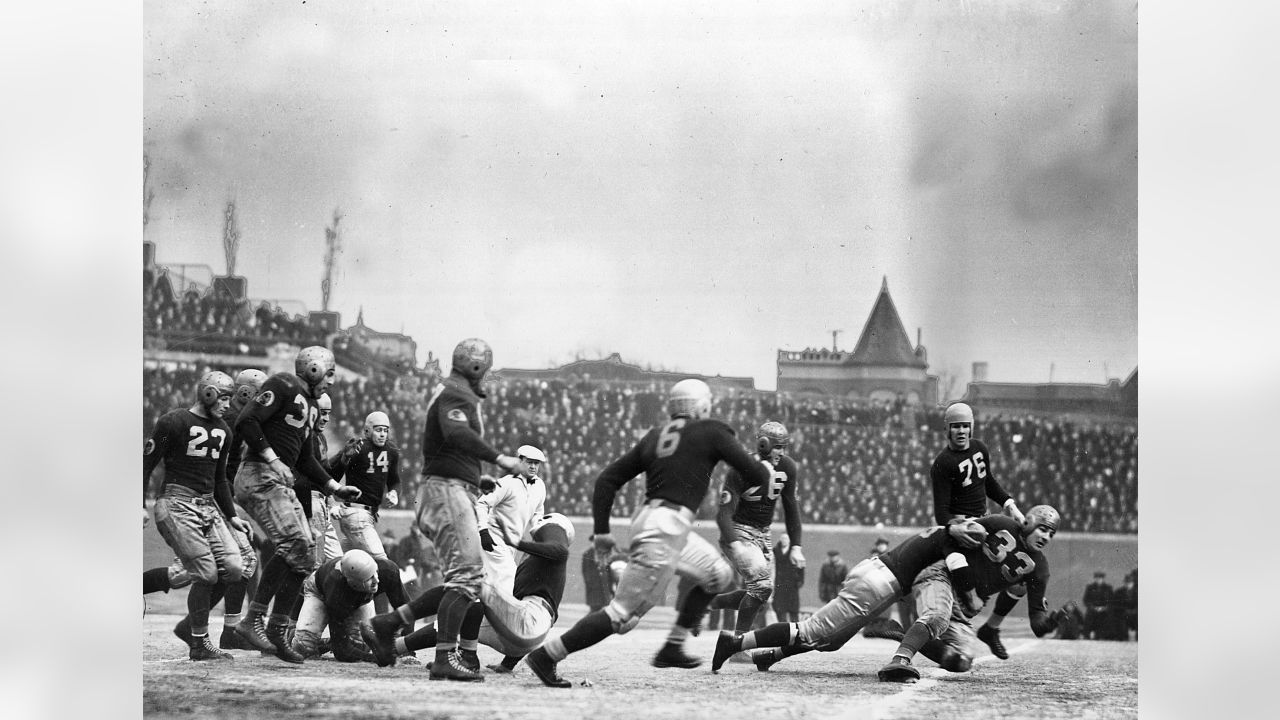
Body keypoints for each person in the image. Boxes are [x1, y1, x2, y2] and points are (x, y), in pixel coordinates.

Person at [522, 378, 774, 687]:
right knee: (621, 616)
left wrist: (602, 531)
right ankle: (547, 655)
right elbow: (757, 475)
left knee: (718, 575)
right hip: (666, 527)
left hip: (660, 522)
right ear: (702, 405)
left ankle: (672, 646)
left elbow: (606, 480)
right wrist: (763, 459)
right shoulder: (711, 430)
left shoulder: (656, 436)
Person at [364, 338, 531, 682]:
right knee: (468, 577)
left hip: (451, 487)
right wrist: (498, 459)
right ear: (476, 366)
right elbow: (455, 434)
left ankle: (388, 624)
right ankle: (443, 658)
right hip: (445, 491)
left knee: (468, 578)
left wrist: (475, 477)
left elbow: (447, 446)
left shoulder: (452, 392)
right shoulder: (457, 394)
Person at [711, 519, 987, 673]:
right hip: (878, 585)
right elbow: (964, 584)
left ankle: (769, 655)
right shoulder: (949, 542)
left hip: (874, 575)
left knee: (830, 641)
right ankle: (734, 643)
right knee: (809, 630)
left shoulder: (938, 533)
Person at [232, 346, 362, 663]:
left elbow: (306, 460)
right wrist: (273, 459)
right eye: (329, 374)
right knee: (294, 542)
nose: (330, 381)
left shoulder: (313, 406)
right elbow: (247, 422)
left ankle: (277, 627)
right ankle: (253, 620)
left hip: (278, 480)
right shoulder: (283, 385)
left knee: (304, 554)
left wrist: (334, 487)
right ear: (315, 369)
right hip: (258, 475)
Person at [369, 513, 575, 675]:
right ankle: (393, 648)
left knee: (468, 583)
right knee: (459, 611)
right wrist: (507, 664)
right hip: (525, 631)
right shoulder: (539, 561)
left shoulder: (555, 541)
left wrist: (515, 541)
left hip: (529, 621)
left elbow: (559, 550)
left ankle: (391, 621)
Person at [876, 506, 1063, 683]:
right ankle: (900, 661)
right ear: (1029, 522)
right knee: (937, 616)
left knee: (961, 661)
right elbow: (954, 531)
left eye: (1051, 534)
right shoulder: (1000, 523)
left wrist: (1051, 622)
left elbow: (1037, 623)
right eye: (1043, 529)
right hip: (944, 576)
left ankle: (900, 632)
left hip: (964, 605)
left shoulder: (1040, 569)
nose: (1046, 537)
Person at [144, 371, 253, 661]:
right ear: (207, 393)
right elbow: (146, 464)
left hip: (208, 507)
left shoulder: (224, 431)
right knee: (206, 573)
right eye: (225, 397)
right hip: (177, 503)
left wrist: (232, 517)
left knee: (233, 567)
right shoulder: (174, 421)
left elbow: (219, 480)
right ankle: (199, 642)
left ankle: (193, 631)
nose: (227, 405)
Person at [931, 402, 1027, 658]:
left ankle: (992, 628)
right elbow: (941, 512)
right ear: (947, 430)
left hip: (986, 523)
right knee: (968, 595)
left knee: (1021, 577)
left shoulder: (980, 448)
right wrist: (956, 528)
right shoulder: (942, 463)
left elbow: (989, 482)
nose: (961, 431)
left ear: (971, 427)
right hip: (964, 529)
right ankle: (940, 633)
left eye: (965, 426)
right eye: (956, 427)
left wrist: (1010, 504)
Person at [710, 421, 805, 639]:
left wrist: (796, 545)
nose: (780, 452)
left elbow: (791, 507)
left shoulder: (787, 467)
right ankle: (737, 643)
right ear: (763, 444)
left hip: (764, 534)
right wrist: (735, 543)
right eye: (777, 446)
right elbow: (723, 514)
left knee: (763, 593)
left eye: (784, 447)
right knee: (761, 587)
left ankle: (709, 603)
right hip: (738, 531)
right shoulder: (741, 468)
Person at [291, 549, 407, 662]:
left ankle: (333, 640)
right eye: (369, 578)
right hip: (320, 592)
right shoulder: (337, 592)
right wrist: (374, 658)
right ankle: (290, 633)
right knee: (304, 647)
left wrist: (408, 650)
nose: (376, 580)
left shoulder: (388, 570)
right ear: (352, 582)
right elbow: (342, 653)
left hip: (358, 598)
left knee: (360, 646)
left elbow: (407, 610)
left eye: (375, 573)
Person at [327, 411, 402, 560]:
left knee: (347, 565)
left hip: (368, 516)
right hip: (356, 514)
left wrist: (394, 493)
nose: (382, 434)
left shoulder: (391, 451)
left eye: (385, 430)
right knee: (381, 562)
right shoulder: (358, 447)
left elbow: (394, 480)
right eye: (378, 430)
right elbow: (330, 475)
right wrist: (344, 458)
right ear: (368, 430)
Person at [476, 444, 549, 594]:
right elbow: (481, 503)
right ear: (520, 461)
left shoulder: (540, 486)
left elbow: (537, 514)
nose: (533, 467)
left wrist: (539, 534)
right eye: (529, 462)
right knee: (508, 579)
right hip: (494, 539)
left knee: (487, 587)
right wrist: (483, 531)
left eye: (536, 463)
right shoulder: (507, 483)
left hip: (512, 545)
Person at [771, 534, 804, 623]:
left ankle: (796, 631)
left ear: (789, 541)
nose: (784, 541)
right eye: (783, 539)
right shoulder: (775, 551)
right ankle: (783, 630)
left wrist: (800, 581)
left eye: (786, 539)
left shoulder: (795, 552)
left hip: (792, 585)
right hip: (779, 584)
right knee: (780, 610)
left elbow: (801, 567)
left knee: (793, 611)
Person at [582, 535, 613, 612]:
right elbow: (586, 571)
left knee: (604, 608)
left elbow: (609, 570)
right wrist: (590, 583)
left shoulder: (604, 553)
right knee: (594, 608)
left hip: (604, 585)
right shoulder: (587, 554)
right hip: (594, 587)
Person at [1082, 570, 1114, 640]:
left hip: (1105, 610)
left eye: (1100, 578)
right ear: (1095, 578)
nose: (1098, 580)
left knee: (1107, 617)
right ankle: (1086, 635)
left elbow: (1112, 600)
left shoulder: (1108, 588)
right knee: (1089, 616)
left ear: (1103, 579)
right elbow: (1086, 600)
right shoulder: (1090, 587)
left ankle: (1103, 636)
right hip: (1093, 609)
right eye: (1096, 578)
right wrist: (1093, 607)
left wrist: (1105, 608)